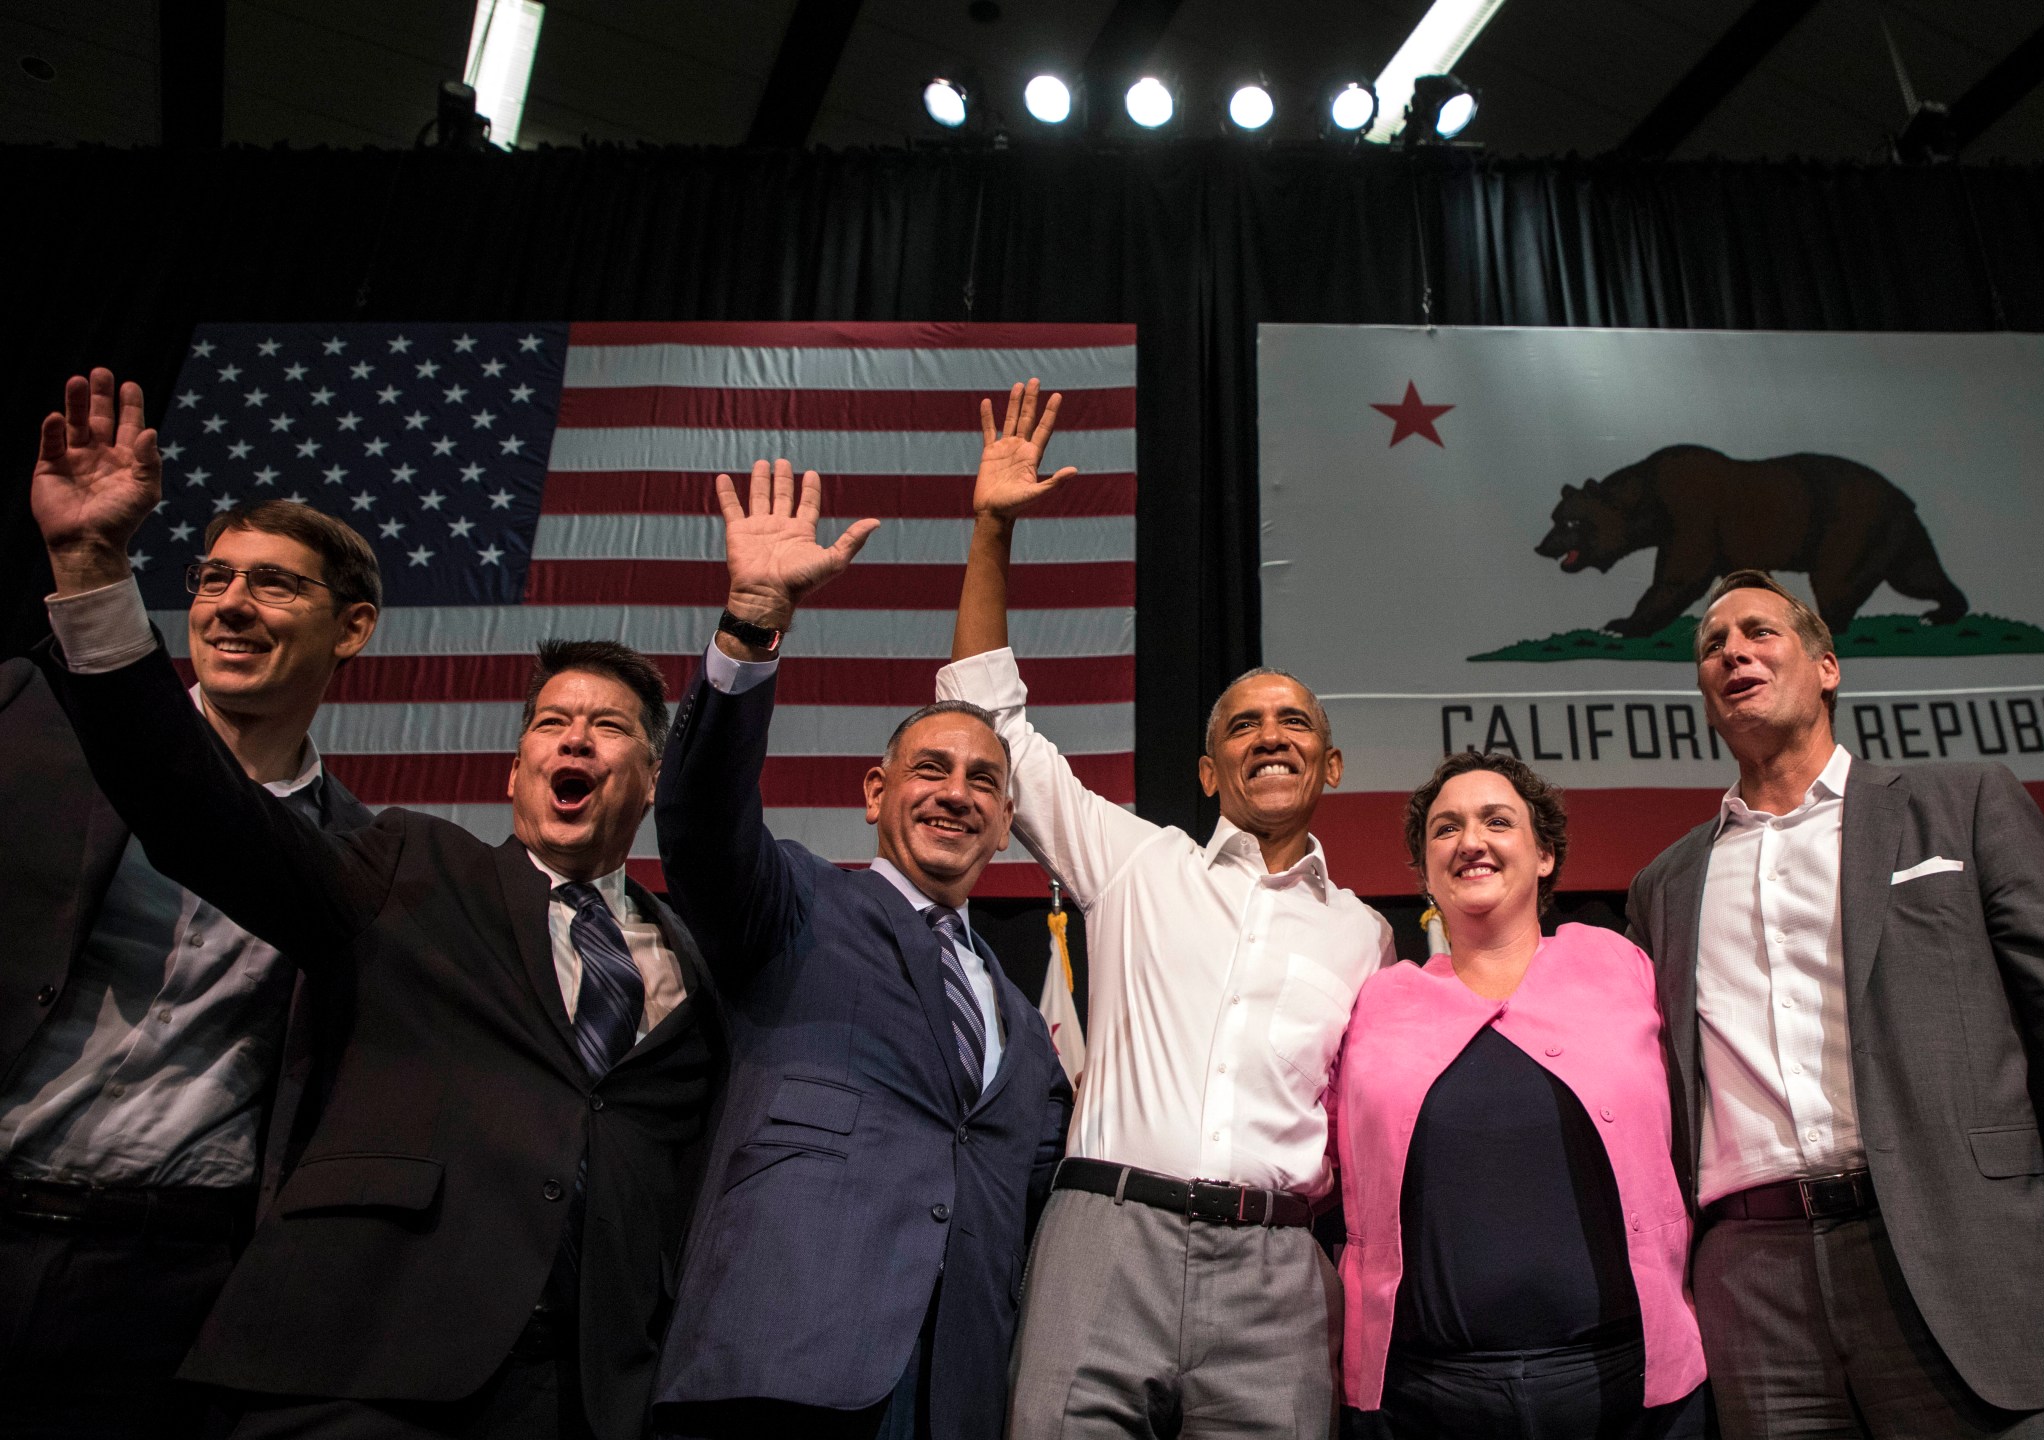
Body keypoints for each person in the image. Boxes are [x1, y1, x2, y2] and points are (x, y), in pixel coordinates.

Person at [26, 366, 720, 1440]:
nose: (574, 739)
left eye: (608, 727)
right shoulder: (403, 863)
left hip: (574, 1386)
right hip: (366, 1361)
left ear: (648, 776)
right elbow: (196, 809)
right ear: (512, 769)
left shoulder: (686, 962)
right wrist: (91, 570)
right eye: (549, 723)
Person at [1625, 568, 2044, 1439]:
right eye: (1712, 647)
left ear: (1826, 666)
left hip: (1961, 1243)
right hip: (1750, 1283)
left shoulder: (1962, 803)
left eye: (1760, 633)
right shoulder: (1666, 883)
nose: (1733, 652)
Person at [939, 381, 1396, 1439]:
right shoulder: (1137, 865)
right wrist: (991, 529)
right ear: (1208, 768)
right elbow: (988, 719)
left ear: (1330, 763)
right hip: (1106, 1233)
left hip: (1280, 1269)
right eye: (1242, 724)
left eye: (1292, 722)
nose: (1268, 735)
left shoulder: (1370, 938)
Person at [648, 459, 1073, 1440]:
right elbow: (701, 816)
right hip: (776, 1372)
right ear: (875, 794)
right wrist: (753, 622)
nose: (955, 794)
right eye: (929, 769)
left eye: (982, 781)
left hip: (953, 1396)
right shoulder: (793, 903)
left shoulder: (1021, 1024)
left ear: (1006, 822)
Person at [1, 374, 381, 1440]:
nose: (228, 604)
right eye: (213, 577)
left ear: (350, 629)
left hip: (172, 1279)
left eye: (272, 585)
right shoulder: (30, 724)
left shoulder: (367, 859)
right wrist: (86, 566)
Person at [1331, 751, 1705, 1438]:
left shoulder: (1621, 968)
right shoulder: (1377, 1003)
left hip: (1629, 1392)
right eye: (1446, 829)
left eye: (1496, 821)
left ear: (1544, 856)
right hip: (1425, 1400)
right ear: (1422, 872)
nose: (1470, 841)